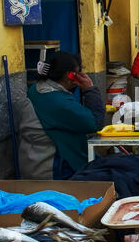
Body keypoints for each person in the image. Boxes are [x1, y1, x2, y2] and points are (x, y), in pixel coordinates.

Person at [18, 51, 105, 180]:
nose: (76, 79)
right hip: (52, 169)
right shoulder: (56, 102)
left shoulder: (37, 89)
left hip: (33, 162)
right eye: (73, 75)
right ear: (64, 75)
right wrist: (89, 89)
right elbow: (94, 123)